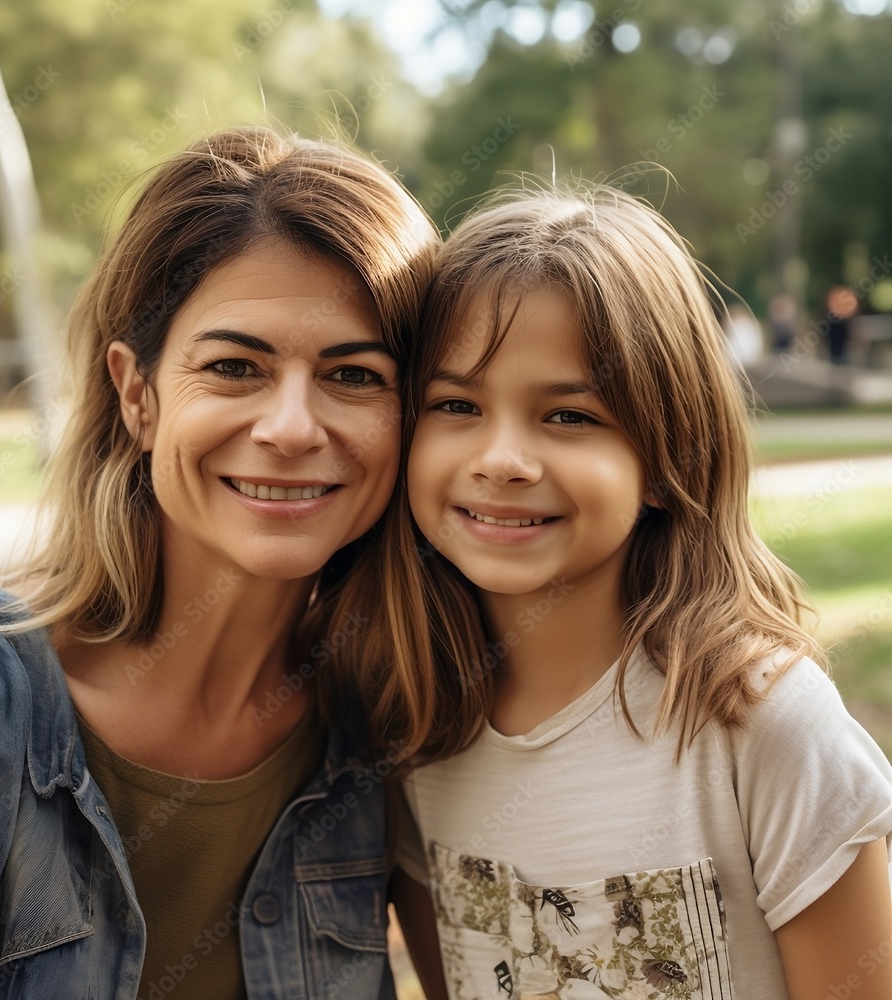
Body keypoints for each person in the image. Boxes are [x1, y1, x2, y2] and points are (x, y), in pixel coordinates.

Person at [0, 126, 438, 999]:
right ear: (136, 392)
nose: (293, 428)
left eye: (356, 376)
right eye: (234, 366)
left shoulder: (397, 724)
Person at [326, 185, 892, 998]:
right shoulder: (418, 723)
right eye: (456, 405)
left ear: (668, 461)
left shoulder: (762, 726)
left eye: (568, 417)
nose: (503, 459)